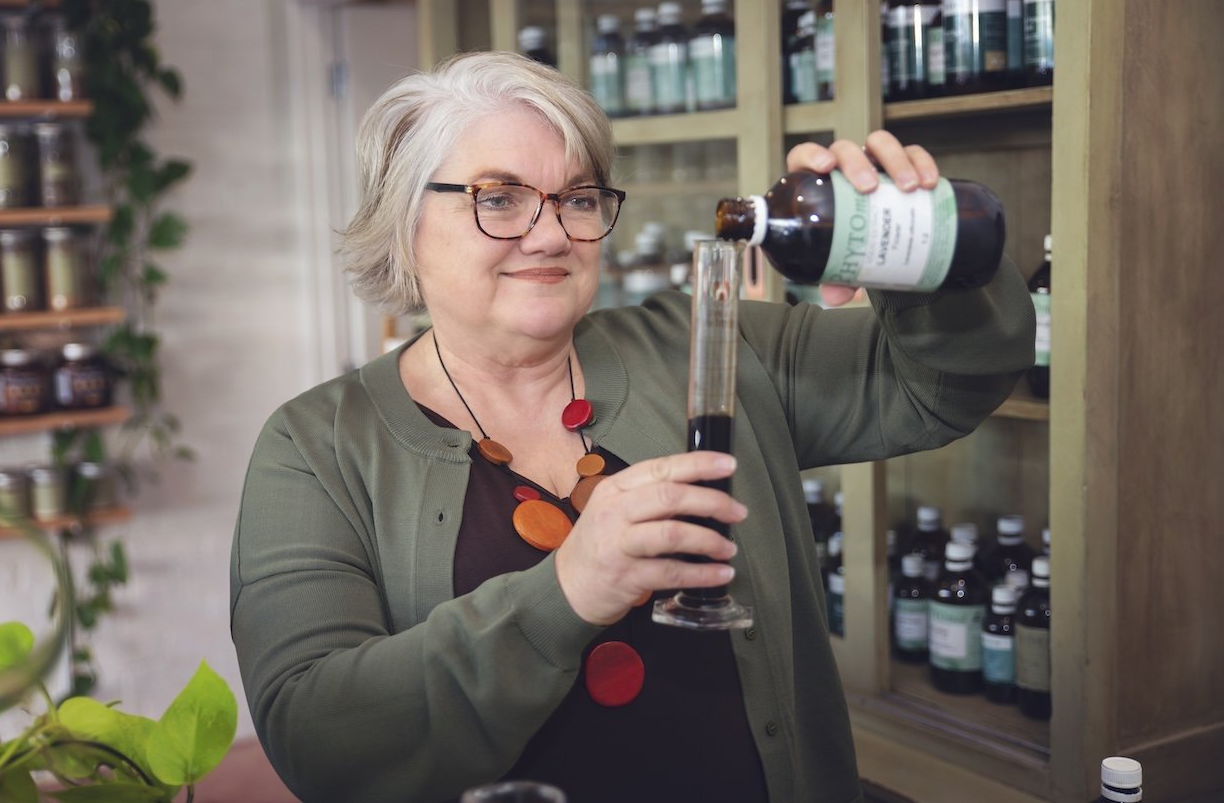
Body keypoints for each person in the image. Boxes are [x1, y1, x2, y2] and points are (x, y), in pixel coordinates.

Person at [231, 50, 1034, 803]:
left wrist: (919, 252)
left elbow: (944, 386)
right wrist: (572, 586)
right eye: (499, 198)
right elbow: (318, 737)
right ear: (405, 221)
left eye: (578, 198)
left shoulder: (714, 345)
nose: (550, 235)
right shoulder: (317, 447)